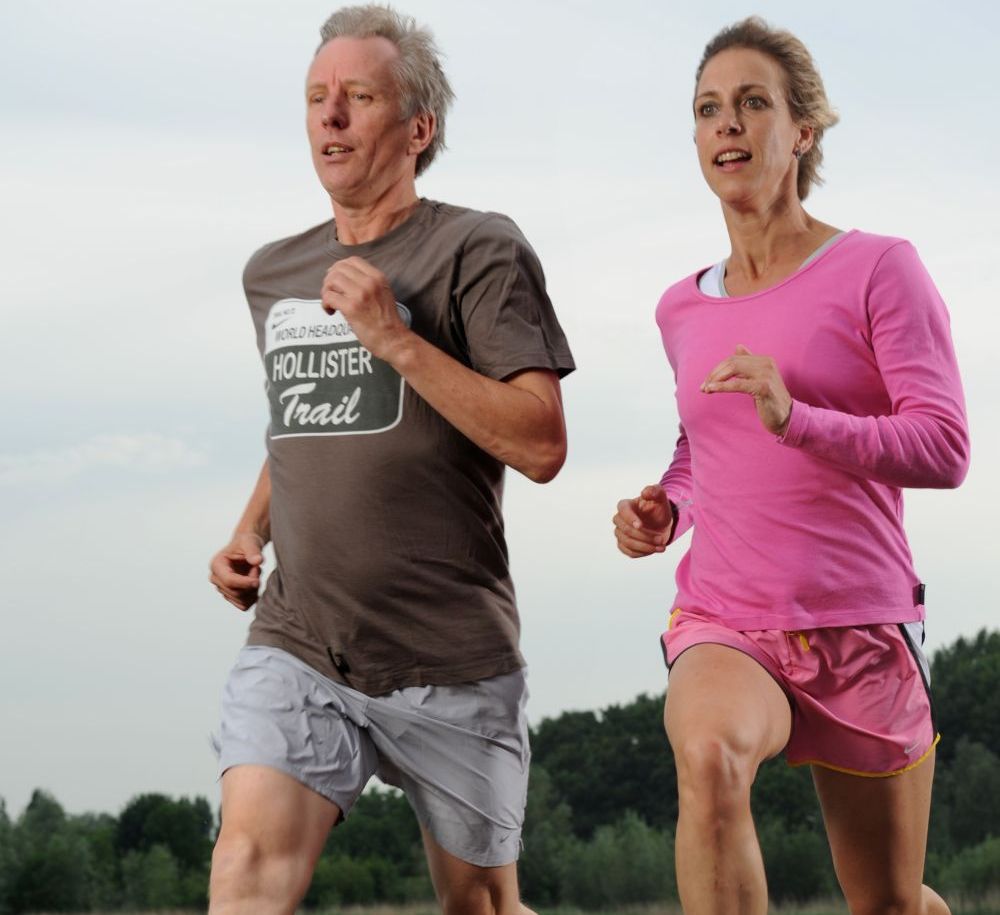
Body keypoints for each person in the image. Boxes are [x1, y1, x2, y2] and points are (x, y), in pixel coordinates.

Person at [207, 6, 574, 913]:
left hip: (450, 651)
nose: (329, 117)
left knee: (481, 904)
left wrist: (394, 338)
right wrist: (249, 530)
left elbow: (541, 441)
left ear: (417, 128)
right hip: (303, 641)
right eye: (316, 98)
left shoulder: (478, 248)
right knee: (245, 867)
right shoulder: (273, 272)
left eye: (357, 97)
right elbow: (300, 424)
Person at [612, 16, 968, 915]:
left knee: (888, 900)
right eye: (708, 109)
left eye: (752, 104)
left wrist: (799, 418)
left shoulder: (881, 269)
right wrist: (669, 506)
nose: (726, 125)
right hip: (727, 617)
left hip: (861, 623)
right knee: (708, 755)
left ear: (802, 131)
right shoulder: (679, 309)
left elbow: (944, 445)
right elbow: (703, 444)